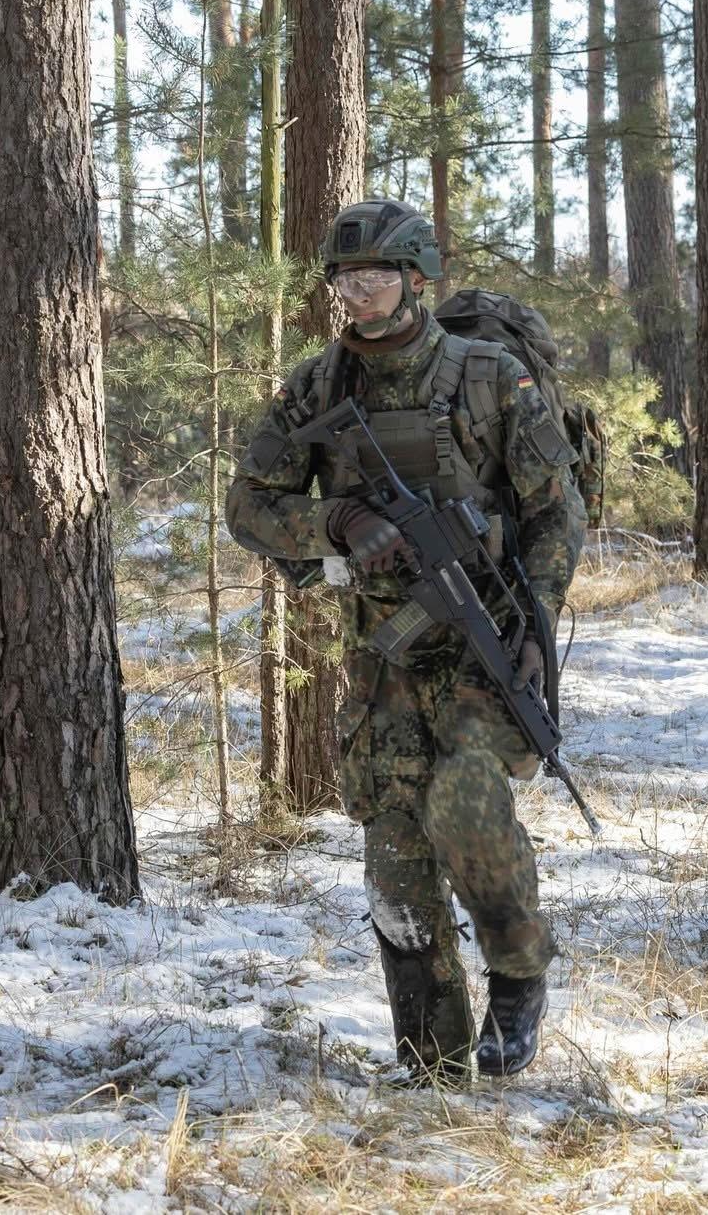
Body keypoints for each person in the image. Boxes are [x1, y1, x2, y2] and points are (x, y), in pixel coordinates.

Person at [225, 199, 586, 1080]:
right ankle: (432, 1061)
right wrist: (337, 520)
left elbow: (555, 510)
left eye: (380, 272)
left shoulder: (489, 375)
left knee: (465, 799)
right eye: (348, 276)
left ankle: (517, 971)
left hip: (483, 643)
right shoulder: (317, 387)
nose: (363, 289)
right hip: (380, 656)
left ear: (418, 277)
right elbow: (249, 507)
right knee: (393, 857)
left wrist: (536, 620)